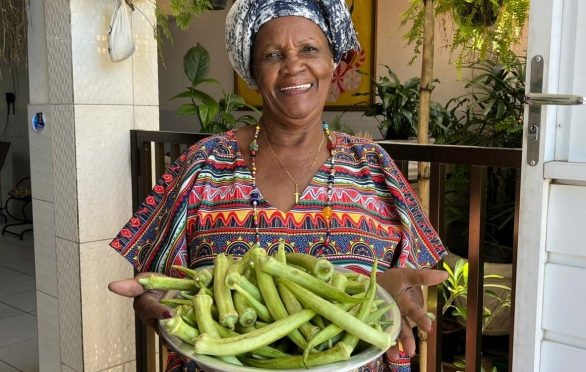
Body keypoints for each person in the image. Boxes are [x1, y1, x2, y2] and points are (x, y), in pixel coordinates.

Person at [108, 0, 448, 371]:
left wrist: (386, 295)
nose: (293, 65)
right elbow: (164, 283)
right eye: (272, 55)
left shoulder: (374, 166)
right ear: (253, 72)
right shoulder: (203, 165)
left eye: (309, 49)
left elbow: (410, 278)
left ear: (331, 62)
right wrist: (156, 294)